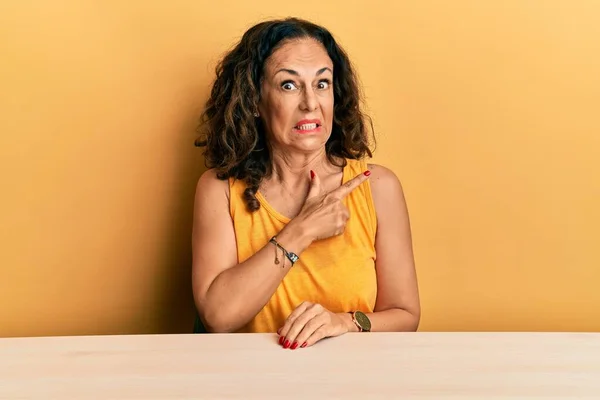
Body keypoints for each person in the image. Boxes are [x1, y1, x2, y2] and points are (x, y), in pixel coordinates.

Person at [191, 17, 420, 349]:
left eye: (322, 83)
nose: (311, 103)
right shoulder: (219, 188)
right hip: (251, 383)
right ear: (254, 100)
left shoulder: (379, 187)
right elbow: (218, 316)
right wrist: (302, 229)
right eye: (289, 85)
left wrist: (343, 322)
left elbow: (405, 315)